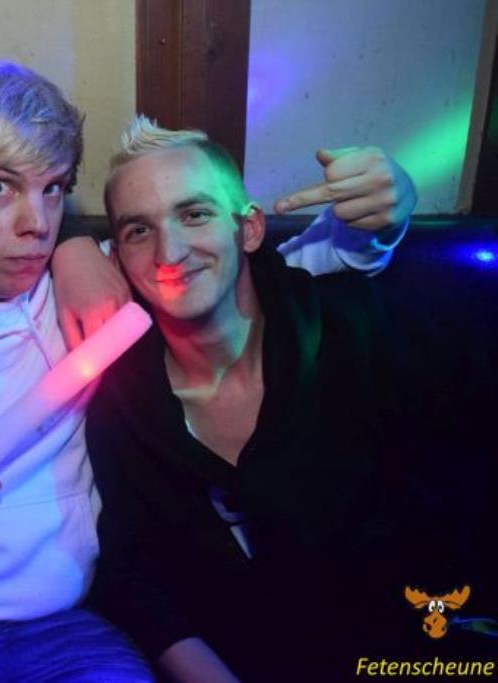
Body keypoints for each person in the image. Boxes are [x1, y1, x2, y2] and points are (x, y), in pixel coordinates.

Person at [0, 60, 411, 682]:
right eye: (0, 188)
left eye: (53, 189)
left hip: (66, 627)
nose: (37, 225)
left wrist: (385, 219)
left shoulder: (101, 293)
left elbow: (255, 272)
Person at [86, 117, 491, 681]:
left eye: (195, 213)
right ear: (117, 260)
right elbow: (135, 579)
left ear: (250, 229)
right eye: (138, 230)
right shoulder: (119, 402)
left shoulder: (352, 333)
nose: (169, 251)